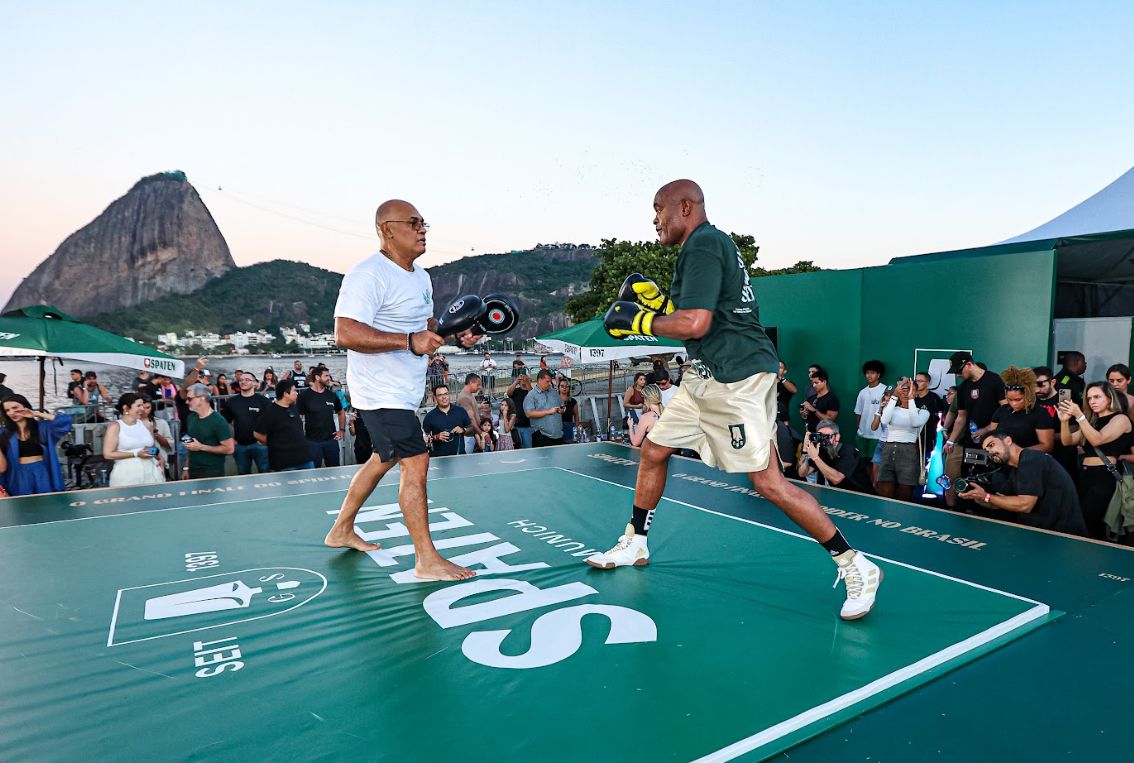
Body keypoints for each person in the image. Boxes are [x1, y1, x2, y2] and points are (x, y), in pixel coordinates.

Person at [587, 179, 881, 620]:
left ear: (685, 207)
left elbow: (697, 323)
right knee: (654, 449)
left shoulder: (703, 246)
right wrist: (661, 303)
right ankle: (636, 541)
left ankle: (854, 563)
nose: (654, 220)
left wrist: (641, 319)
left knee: (767, 483)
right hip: (705, 377)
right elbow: (708, 314)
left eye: (658, 210)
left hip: (738, 380)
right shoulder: (710, 246)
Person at [324, 197, 478, 581]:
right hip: (379, 393)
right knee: (416, 464)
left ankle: (341, 528)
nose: (422, 228)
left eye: (424, 222)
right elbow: (346, 333)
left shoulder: (420, 277)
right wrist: (408, 341)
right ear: (387, 230)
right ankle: (426, 560)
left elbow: (428, 328)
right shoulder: (367, 275)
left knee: (383, 459)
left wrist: (457, 337)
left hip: (404, 392)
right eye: (413, 222)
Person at [958, 432, 1087, 536]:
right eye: (986, 450)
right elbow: (1000, 502)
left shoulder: (1031, 459)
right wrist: (976, 496)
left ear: (1008, 441)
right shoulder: (1016, 470)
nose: (990, 452)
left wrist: (986, 496)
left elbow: (1025, 504)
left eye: (991, 445)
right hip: (1041, 535)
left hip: (1064, 537)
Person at [1057, 382, 1134, 539]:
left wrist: (1080, 416)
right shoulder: (1091, 421)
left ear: (1109, 397)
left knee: (1091, 521)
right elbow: (1068, 441)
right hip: (1085, 475)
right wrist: (1064, 421)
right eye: (1089, 398)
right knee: (1083, 521)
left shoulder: (1120, 418)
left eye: (1097, 397)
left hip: (1104, 476)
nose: (1092, 401)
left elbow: (1097, 439)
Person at [943, 351, 1005, 510]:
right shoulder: (963, 387)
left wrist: (987, 429)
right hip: (970, 441)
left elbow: (1005, 410)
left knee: (990, 480)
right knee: (968, 479)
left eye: (959, 371)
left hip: (994, 441)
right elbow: (961, 417)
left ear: (969, 364)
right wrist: (950, 440)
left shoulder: (994, 380)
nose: (957, 375)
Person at [0, 394, 73, 496]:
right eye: (7, 410)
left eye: (15, 408)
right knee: (22, 507)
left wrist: (37, 414)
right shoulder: (3, 433)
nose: (11, 413)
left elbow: (65, 422)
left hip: (42, 471)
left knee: (47, 504)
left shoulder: (42, 428)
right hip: (17, 475)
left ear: (25, 407)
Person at [875, 378, 930, 501]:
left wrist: (911, 399)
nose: (906, 392)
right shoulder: (892, 409)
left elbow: (916, 422)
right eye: (904, 390)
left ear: (916, 393)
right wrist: (894, 396)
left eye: (910, 390)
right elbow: (884, 421)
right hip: (888, 449)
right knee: (885, 491)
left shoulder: (922, 412)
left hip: (908, 451)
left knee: (905, 493)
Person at [986, 366, 1055, 453]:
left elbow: (1047, 446)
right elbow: (992, 437)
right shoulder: (1001, 411)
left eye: (1018, 399)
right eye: (1010, 400)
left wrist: (1017, 452)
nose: (1013, 403)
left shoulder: (1040, 414)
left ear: (1028, 395)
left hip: (1028, 461)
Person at [103, 392, 165, 486]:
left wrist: (160, 459)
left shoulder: (147, 424)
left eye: (142, 405)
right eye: (138, 405)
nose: (142, 409)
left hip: (151, 472)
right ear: (126, 408)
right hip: (126, 474)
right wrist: (136, 454)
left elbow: (150, 448)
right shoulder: (115, 426)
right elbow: (108, 454)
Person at [254, 379, 315, 472]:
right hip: (285, 462)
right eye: (294, 391)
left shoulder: (294, 408)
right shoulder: (270, 412)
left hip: (305, 459)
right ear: (286, 394)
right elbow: (258, 434)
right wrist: (275, 443)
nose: (297, 393)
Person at [797, 420, 874, 494]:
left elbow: (836, 478)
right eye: (821, 436)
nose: (824, 440)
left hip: (861, 495)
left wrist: (815, 458)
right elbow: (802, 473)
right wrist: (806, 452)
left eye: (827, 436)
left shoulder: (848, 452)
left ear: (837, 437)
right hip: (840, 495)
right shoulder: (821, 451)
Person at [182, 383, 235, 480]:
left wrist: (201, 447)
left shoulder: (218, 421)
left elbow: (229, 449)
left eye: (190, 399)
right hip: (193, 468)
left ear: (202, 398)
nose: (186, 402)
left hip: (212, 470)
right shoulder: (191, 418)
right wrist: (186, 468)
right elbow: (190, 445)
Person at [221, 371, 272, 474]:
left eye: (247, 380)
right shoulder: (232, 402)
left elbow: (272, 422)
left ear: (254, 383)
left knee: (265, 474)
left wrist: (266, 440)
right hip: (240, 446)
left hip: (261, 445)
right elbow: (224, 422)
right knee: (243, 475)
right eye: (241, 380)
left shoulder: (264, 401)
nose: (243, 382)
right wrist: (230, 439)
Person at [297, 366, 346, 468]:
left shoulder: (331, 395)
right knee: (313, 471)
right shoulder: (304, 396)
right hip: (312, 442)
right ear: (317, 377)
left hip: (331, 441)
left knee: (334, 470)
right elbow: (298, 417)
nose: (329, 378)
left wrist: (342, 430)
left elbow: (341, 412)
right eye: (326, 376)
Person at [422, 385, 472, 456]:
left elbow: (471, 429)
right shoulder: (430, 416)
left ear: (449, 395)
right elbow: (425, 439)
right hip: (439, 459)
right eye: (440, 395)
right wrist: (436, 437)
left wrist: (463, 430)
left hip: (459, 457)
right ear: (435, 397)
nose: (444, 397)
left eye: (446, 394)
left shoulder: (460, 411)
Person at [853, 360, 886, 460]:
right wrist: (859, 429)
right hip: (862, 435)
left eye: (872, 373)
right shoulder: (862, 392)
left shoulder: (885, 391)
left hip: (877, 435)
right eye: (867, 373)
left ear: (878, 374)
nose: (869, 375)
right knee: (862, 463)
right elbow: (858, 412)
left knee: (875, 465)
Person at [524, 369, 565, 446]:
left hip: (558, 435)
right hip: (542, 436)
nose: (549, 384)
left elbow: (562, 405)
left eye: (550, 381)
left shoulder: (553, 392)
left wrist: (562, 410)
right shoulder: (531, 395)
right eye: (547, 381)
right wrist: (548, 411)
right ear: (539, 380)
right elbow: (529, 414)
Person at [801, 368, 839, 434]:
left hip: (823, 435)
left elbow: (830, 420)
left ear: (824, 382)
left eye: (816, 383)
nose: (814, 385)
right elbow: (807, 415)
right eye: (813, 383)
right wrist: (804, 413)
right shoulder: (811, 398)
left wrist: (814, 410)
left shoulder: (832, 399)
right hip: (810, 432)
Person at [456, 373, 481, 455]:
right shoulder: (464, 398)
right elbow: (471, 418)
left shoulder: (469, 395)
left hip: (471, 435)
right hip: (468, 436)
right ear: (471, 382)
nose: (479, 387)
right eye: (477, 384)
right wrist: (481, 433)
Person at [507, 373, 533, 448]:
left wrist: (527, 382)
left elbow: (532, 395)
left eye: (525, 378)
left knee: (528, 447)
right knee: (518, 446)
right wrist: (516, 382)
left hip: (528, 425)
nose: (523, 380)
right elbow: (508, 393)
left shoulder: (532, 391)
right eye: (522, 379)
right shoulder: (516, 391)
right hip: (517, 425)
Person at [558, 376, 580, 443]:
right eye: (562, 386)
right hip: (557, 427)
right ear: (559, 387)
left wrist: (576, 429)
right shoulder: (555, 400)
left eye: (566, 386)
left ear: (569, 388)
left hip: (569, 427)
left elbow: (576, 416)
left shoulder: (573, 401)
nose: (564, 388)